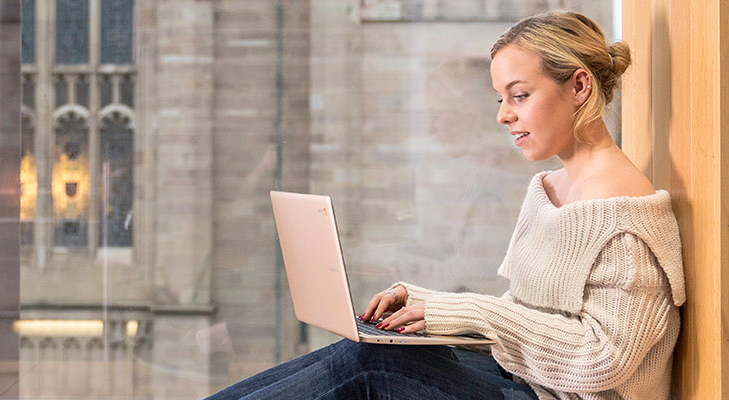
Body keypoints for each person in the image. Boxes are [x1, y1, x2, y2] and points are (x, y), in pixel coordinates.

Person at [207, 10, 686, 400]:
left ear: (579, 87)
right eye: (501, 98)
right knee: (363, 347)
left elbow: (606, 359)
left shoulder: (624, 213)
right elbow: (529, 316)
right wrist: (427, 306)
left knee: (372, 363)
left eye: (519, 95)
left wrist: (473, 313)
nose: (503, 115)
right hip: (518, 380)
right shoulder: (548, 188)